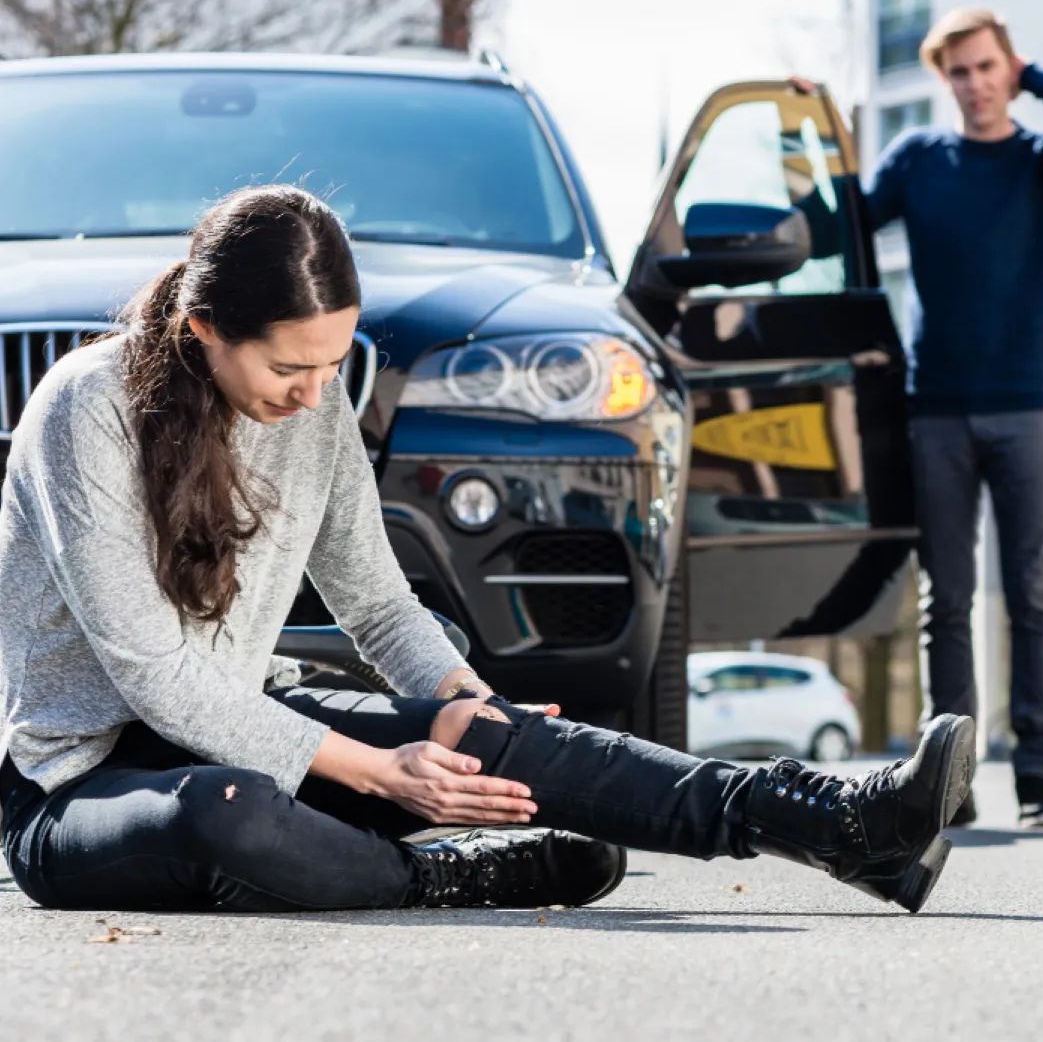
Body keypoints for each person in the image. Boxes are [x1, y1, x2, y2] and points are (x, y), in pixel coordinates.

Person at [0, 185, 974, 915]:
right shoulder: (87, 408)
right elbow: (155, 679)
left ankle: (838, 824)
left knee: (480, 731)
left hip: (246, 727)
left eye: (333, 364)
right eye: (289, 366)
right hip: (77, 789)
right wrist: (380, 772)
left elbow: (377, 604)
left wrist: (470, 703)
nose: (313, 393)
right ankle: (447, 878)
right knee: (226, 810)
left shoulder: (314, 405)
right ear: (204, 327)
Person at [861, 8, 1043, 829]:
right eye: (960, 71)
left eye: (988, 67)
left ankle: (1039, 785)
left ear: (1008, 69)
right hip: (939, 412)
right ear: (943, 79)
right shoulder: (918, 158)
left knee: (1034, 596)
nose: (975, 83)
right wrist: (796, 131)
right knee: (945, 600)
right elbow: (844, 222)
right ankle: (947, 785)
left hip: (1029, 408)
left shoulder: (1042, 159)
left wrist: (1039, 78)